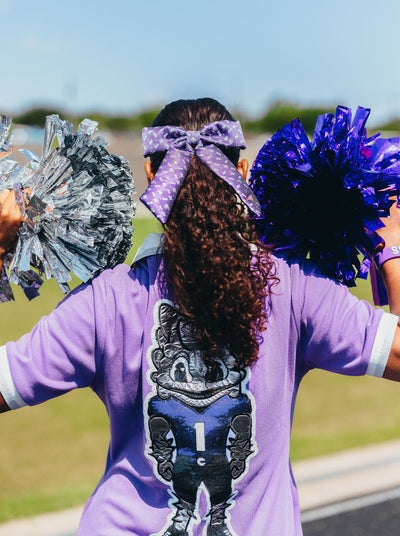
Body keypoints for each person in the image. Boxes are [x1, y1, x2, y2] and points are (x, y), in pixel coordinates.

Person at [0, 97, 400, 536]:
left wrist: (1, 247)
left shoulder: (106, 300)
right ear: (242, 173)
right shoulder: (293, 288)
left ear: (152, 176)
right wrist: (391, 246)